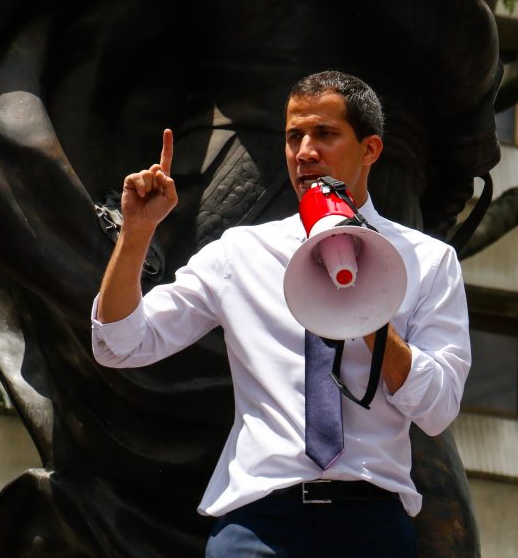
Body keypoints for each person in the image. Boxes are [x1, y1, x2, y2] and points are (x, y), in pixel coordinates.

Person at [91, 71, 471, 557]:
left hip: (372, 524)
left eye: (325, 135)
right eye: (294, 137)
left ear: (370, 149)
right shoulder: (240, 253)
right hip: (257, 525)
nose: (305, 152)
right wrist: (136, 233)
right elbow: (118, 344)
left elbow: (439, 409)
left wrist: (367, 314)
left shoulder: (428, 261)